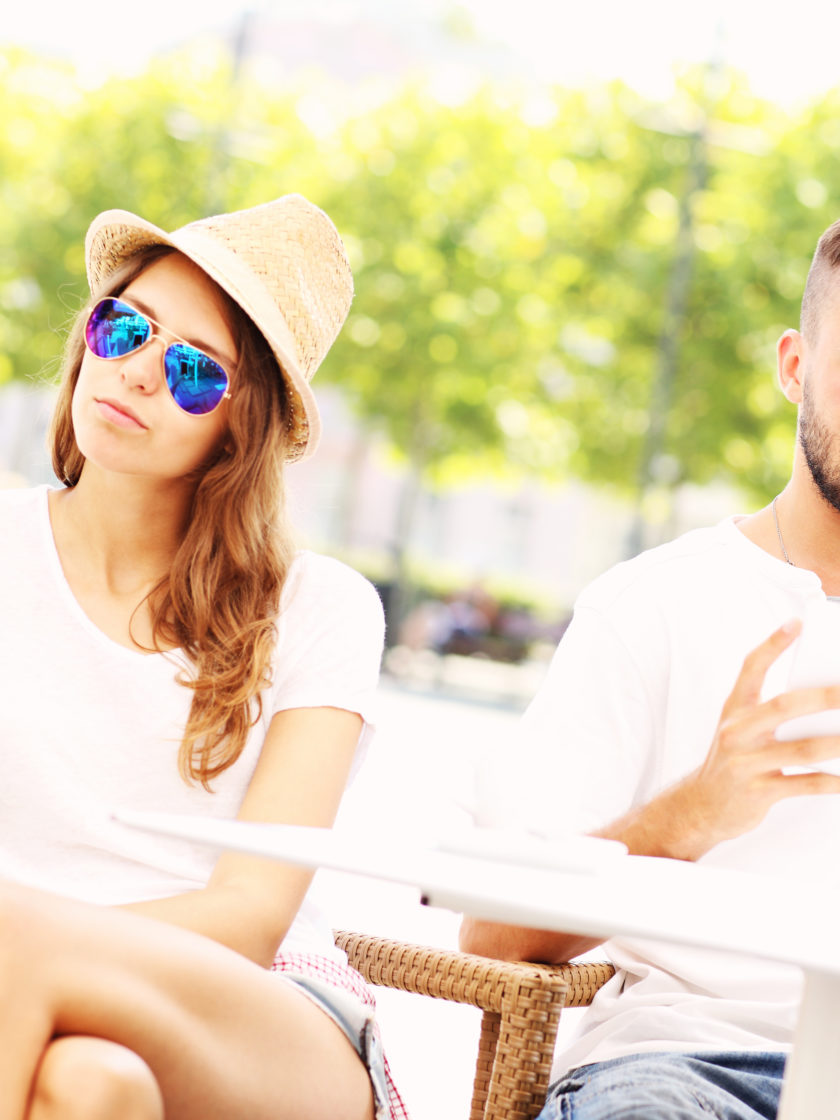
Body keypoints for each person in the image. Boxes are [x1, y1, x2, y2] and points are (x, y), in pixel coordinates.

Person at [0, 195, 409, 1120]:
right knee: (91, 1086)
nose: (140, 372)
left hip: (259, 1004)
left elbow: (250, 917)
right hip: (28, 1002)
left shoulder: (321, 607)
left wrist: (30, 947)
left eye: (194, 370)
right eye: (124, 328)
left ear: (241, 426)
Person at [459, 217, 840, 1120]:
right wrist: (691, 813)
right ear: (794, 367)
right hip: (694, 1067)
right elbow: (493, 937)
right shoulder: (655, 604)